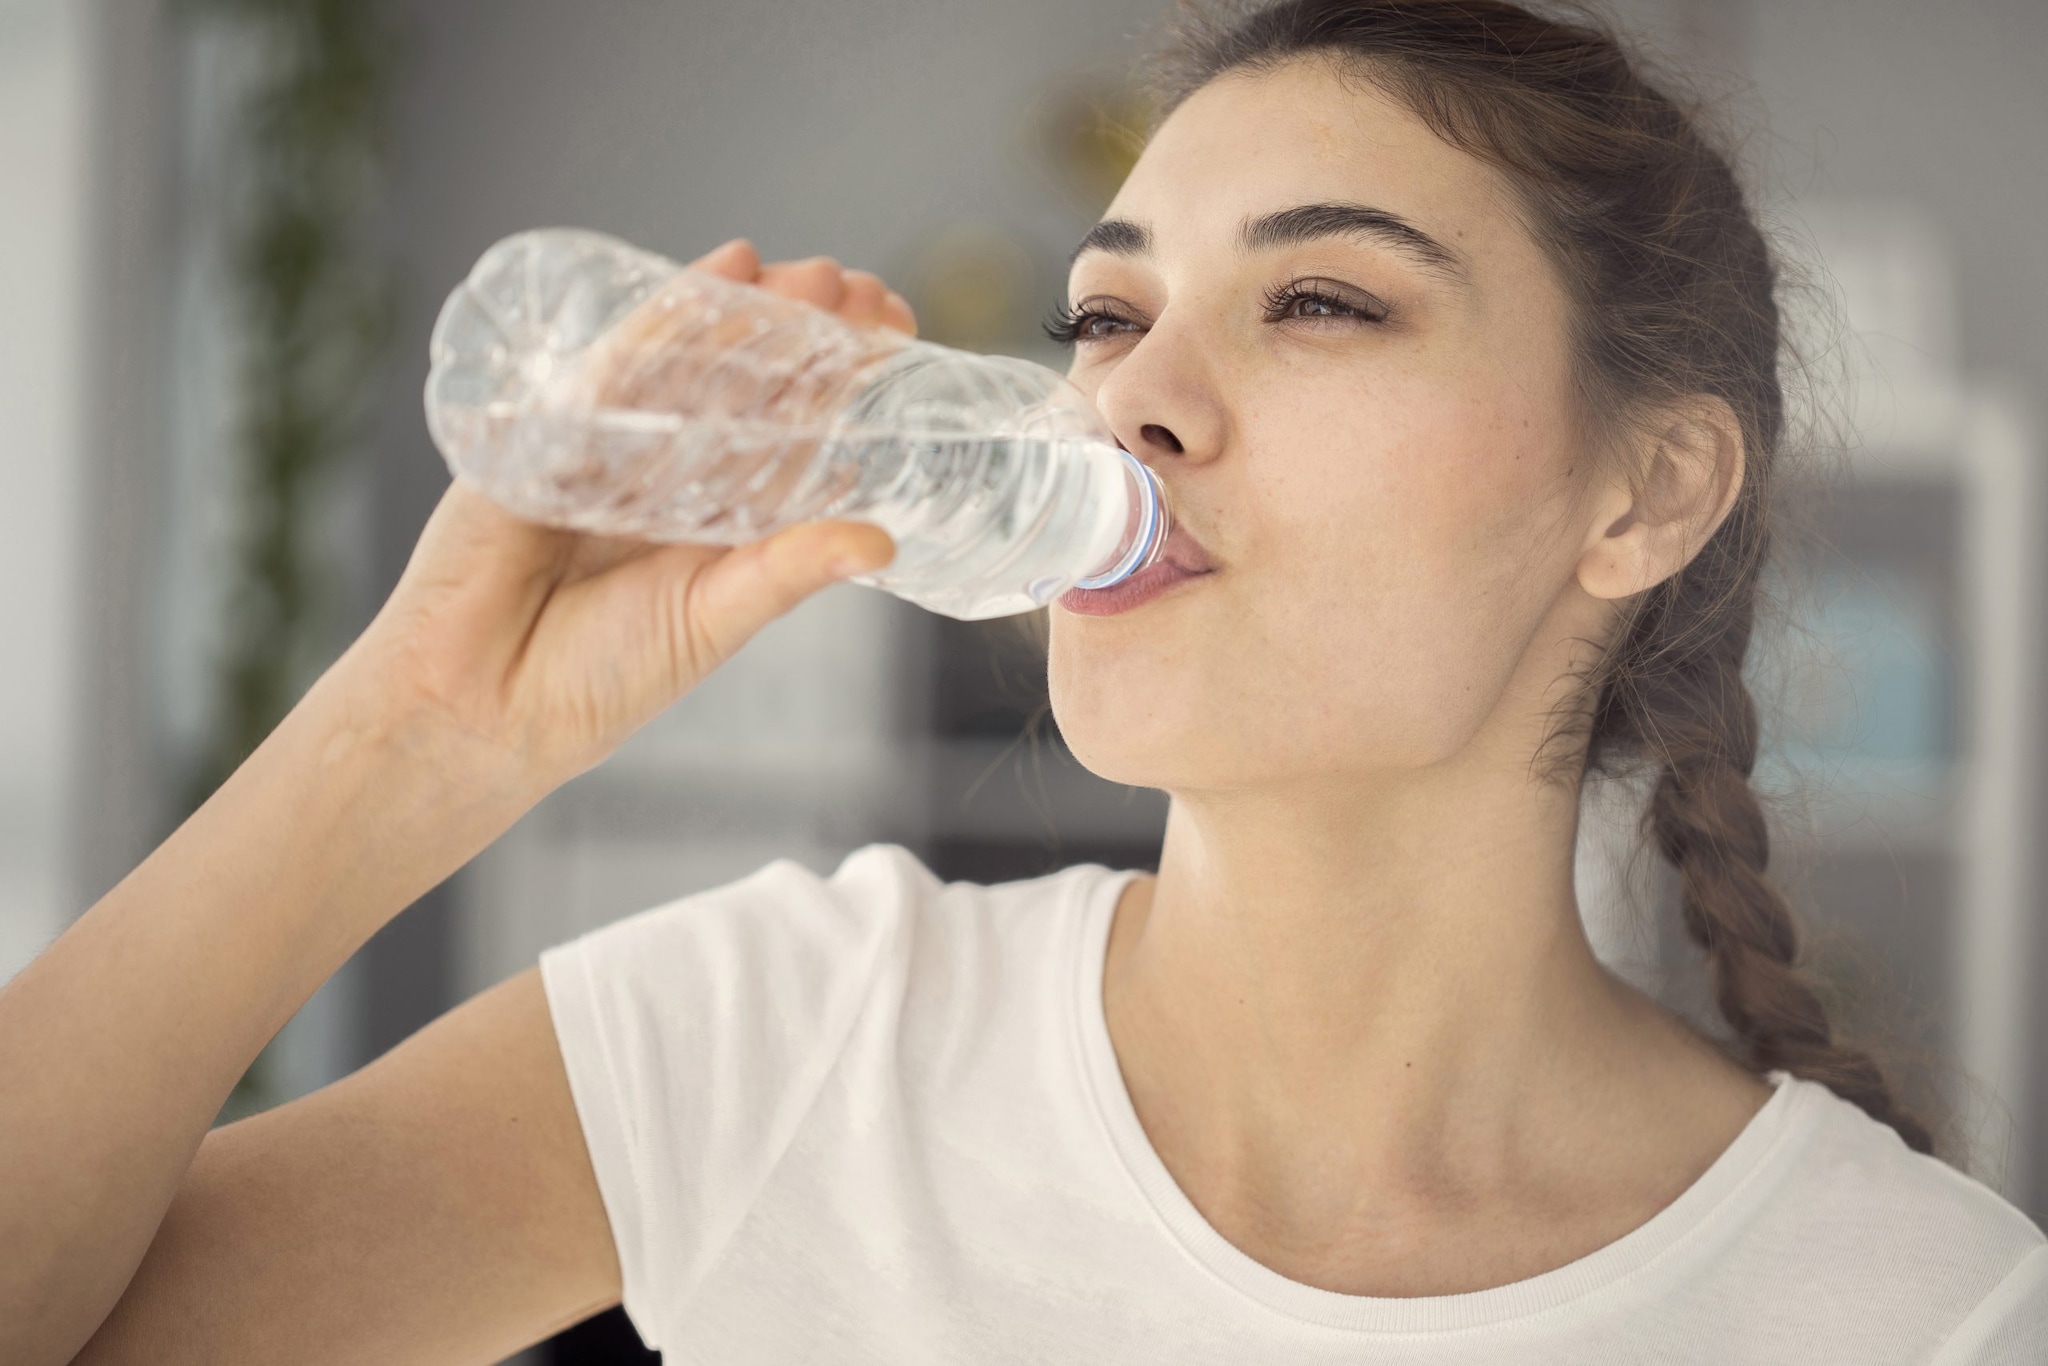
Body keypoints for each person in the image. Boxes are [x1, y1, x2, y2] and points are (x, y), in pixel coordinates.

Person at [5, 0, 2044, 1361]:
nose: (1131, 395)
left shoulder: (1922, 1311)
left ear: (1644, 484)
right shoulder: (778, 1035)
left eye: (1320, 301)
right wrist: (412, 735)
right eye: (1105, 308)